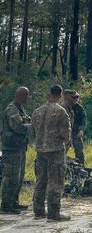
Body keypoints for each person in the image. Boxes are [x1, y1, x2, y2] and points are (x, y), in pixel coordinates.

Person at [30, 84, 71, 221]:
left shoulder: (37, 111)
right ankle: (54, 213)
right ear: (60, 96)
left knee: (41, 180)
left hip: (40, 150)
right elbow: (65, 134)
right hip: (55, 151)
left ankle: (39, 210)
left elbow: (33, 132)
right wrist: (67, 144)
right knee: (56, 180)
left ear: (49, 93)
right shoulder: (61, 111)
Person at [1, 86, 31, 214]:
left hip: (19, 147)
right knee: (11, 177)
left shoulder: (20, 108)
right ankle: (6, 205)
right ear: (20, 95)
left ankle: (14, 202)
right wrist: (32, 126)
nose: (28, 98)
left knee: (19, 177)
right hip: (11, 149)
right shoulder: (12, 109)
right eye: (26, 95)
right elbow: (17, 127)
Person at [63, 89, 87, 164]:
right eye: (74, 97)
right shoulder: (62, 108)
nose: (76, 99)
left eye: (77, 97)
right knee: (62, 152)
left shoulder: (79, 108)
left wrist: (81, 130)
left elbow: (84, 120)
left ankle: (82, 168)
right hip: (64, 133)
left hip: (76, 133)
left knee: (79, 151)